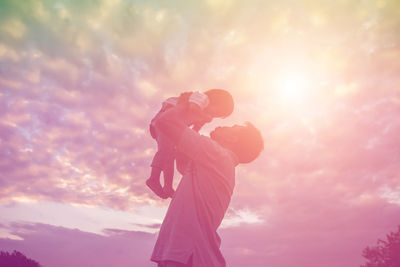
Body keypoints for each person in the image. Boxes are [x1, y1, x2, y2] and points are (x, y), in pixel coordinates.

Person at [150, 104, 264, 267]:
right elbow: (182, 161)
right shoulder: (217, 160)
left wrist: (193, 102)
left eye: (233, 127)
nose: (226, 124)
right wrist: (197, 124)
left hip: (189, 255)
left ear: (232, 139)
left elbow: (165, 122)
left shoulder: (217, 155)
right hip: (187, 254)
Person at [147, 89, 234, 199]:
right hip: (164, 117)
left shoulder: (204, 116)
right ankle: (153, 178)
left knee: (169, 155)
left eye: (217, 115)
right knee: (165, 151)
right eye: (217, 111)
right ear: (215, 100)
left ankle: (168, 186)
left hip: (172, 125)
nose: (214, 115)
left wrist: (187, 143)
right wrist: (204, 116)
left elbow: (195, 130)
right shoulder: (202, 98)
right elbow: (194, 107)